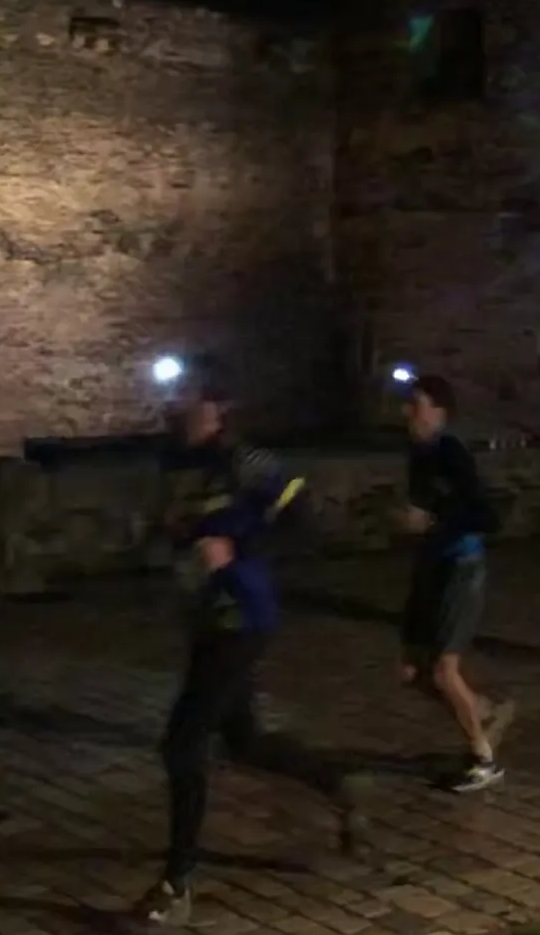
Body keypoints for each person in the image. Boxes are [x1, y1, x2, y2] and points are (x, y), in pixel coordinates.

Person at [134, 385, 370, 928]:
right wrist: (174, 536)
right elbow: (184, 527)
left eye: (196, 403)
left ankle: (177, 883)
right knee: (242, 740)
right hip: (206, 617)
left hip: (242, 617)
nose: (183, 412)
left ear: (222, 410)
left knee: (182, 743)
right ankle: (336, 782)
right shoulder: (177, 462)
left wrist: (238, 546)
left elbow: (302, 521)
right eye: (179, 402)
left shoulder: (248, 461)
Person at [397, 374, 516, 792]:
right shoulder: (418, 454)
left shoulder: (452, 454)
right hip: (430, 565)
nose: (408, 412)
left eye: (417, 404)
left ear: (439, 412)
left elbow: (486, 516)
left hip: (460, 566)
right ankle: (482, 709)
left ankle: (483, 759)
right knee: (413, 671)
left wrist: (434, 519)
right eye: (407, 404)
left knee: (446, 671)